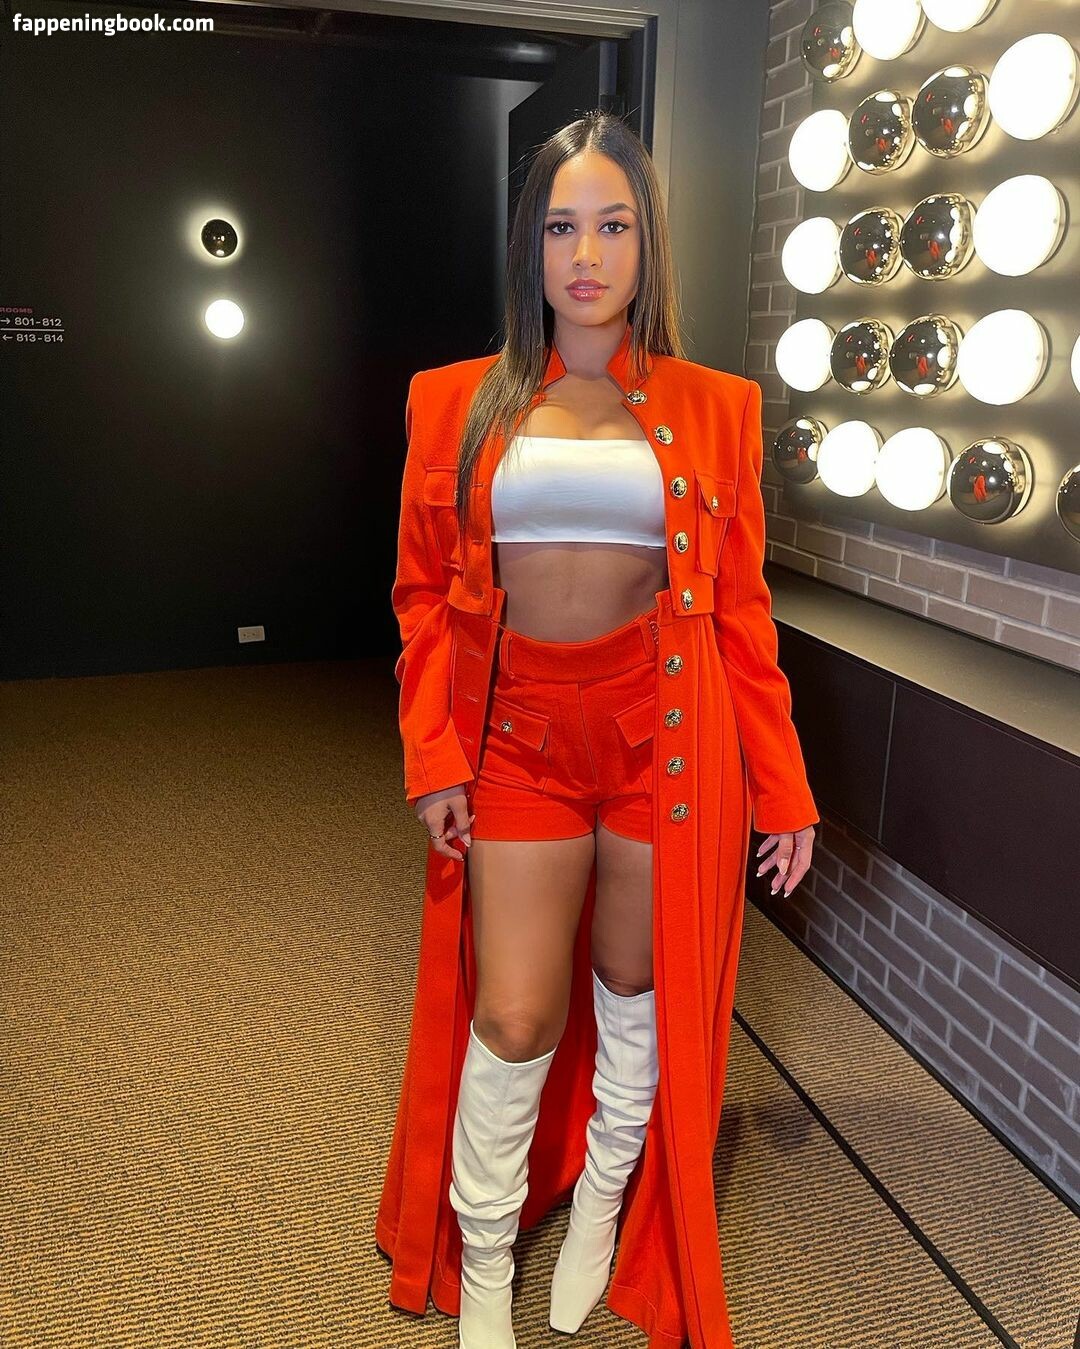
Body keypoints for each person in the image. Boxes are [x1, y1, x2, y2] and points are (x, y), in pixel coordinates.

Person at [375, 109, 819, 1349]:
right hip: (516, 733)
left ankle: (605, 1204)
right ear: (530, 243)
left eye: (613, 225)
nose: (586, 254)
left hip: (663, 733)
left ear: (646, 242)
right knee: (515, 1014)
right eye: (562, 225)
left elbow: (741, 613)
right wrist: (433, 755)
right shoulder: (452, 401)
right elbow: (422, 596)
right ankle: (484, 1254)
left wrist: (783, 785)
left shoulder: (716, 407)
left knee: (634, 987)